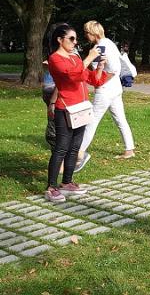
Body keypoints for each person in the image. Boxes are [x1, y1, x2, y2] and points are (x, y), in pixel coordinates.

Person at [46, 23, 107, 202]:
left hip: (80, 108)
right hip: (65, 108)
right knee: (61, 148)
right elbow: (72, 75)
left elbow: (91, 79)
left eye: (76, 39)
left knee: (74, 148)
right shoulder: (55, 59)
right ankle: (51, 187)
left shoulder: (75, 58)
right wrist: (88, 58)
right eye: (71, 39)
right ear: (60, 40)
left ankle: (67, 182)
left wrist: (100, 67)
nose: (75, 42)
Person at [76, 20, 135, 172]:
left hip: (105, 91)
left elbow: (113, 69)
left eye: (86, 33)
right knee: (120, 119)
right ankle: (129, 149)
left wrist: (99, 82)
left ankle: (79, 152)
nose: (85, 36)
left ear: (92, 33)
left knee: (92, 121)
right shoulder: (109, 43)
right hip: (115, 89)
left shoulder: (100, 46)